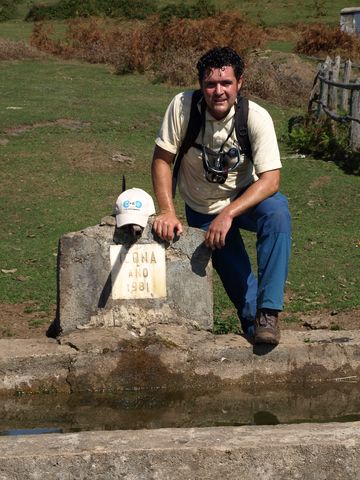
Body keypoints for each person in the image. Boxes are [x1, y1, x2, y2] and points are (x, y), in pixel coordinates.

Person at [151, 46, 291, 345]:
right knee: (239, 287)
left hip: (244, 200)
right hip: (202, 207)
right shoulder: (182, 107)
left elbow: (271, 180)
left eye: (226, 83)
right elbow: (162, 159)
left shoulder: (256, 117)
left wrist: (227, 214)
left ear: (239, 82)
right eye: (210, 84)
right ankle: (255, 323)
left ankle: (269, 312)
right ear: (200, 84)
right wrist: (167, 210)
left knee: (277, 212)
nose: (218, 91)